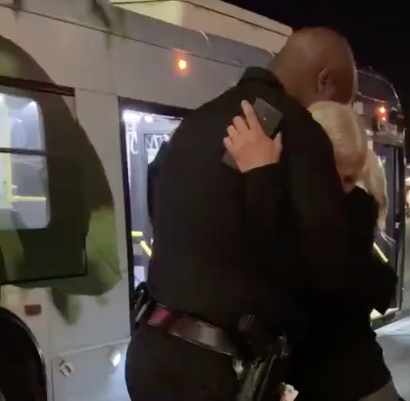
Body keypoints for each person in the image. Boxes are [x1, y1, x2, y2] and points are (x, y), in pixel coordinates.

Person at [126, 27, 363, 401]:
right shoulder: (300, 132)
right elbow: (331, 273)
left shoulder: (195, 123)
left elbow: (160, 205)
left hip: (148, 353)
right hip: (217, 373)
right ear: (324, 81)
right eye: (341, 103)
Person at [225, 101, 401, 401]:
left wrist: (259, 178)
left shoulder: (345, 212)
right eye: (339, 178)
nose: (343, 190)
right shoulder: (334, 211)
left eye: (349, 179)